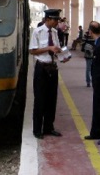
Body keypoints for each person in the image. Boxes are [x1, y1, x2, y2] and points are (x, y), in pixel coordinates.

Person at [29, 9, 68, 139]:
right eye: (55, 20)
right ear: (47, 19)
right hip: (41, 68)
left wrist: (62, 55)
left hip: (52, 67)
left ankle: (48, 127)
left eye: (57, 20)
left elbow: (56, 48)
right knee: (40, 99)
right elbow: (32, 51)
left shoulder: (55, 32)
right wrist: (48, 48)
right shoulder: (37, 32)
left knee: (52, 99)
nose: (57, 22)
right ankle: (37, 129)